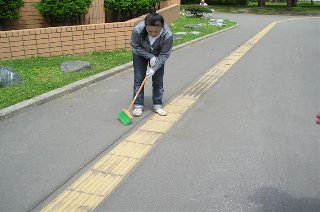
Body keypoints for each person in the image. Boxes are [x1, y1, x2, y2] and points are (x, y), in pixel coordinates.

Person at [130, 12, 173, 117]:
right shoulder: (138, 30)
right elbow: (135, 47)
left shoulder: (168, 35)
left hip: (159, 55)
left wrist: (154, 68)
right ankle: (138, 105)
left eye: (157, 31)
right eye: (150, 31)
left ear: (162, 27)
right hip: (140, 54)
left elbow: (164, 55)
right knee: (139, 79)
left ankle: (157, 105)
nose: (153, 34)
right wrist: (150, 57)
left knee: (158, 80)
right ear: (145, 26)